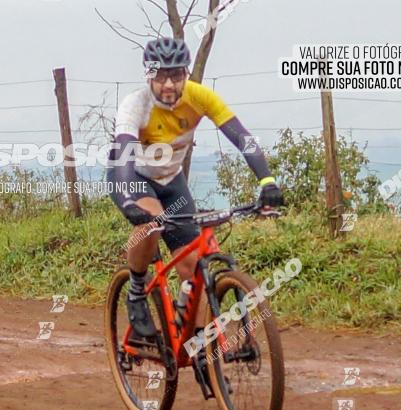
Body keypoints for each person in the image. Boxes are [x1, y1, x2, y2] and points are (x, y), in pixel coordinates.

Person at [107, 37, 284, 367]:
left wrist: (267, 181)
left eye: (176, 75)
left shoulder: (200, 97)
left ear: (186, 74)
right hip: (133, 177)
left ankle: (198, 343)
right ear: (149, 76)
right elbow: (123, 158)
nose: (169, 84)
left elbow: (241, 137)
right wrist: (130, 200)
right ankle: (135, 289)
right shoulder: (135, 105)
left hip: (172, 181)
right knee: (151, 224)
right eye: (161, 76)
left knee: (194, 269)